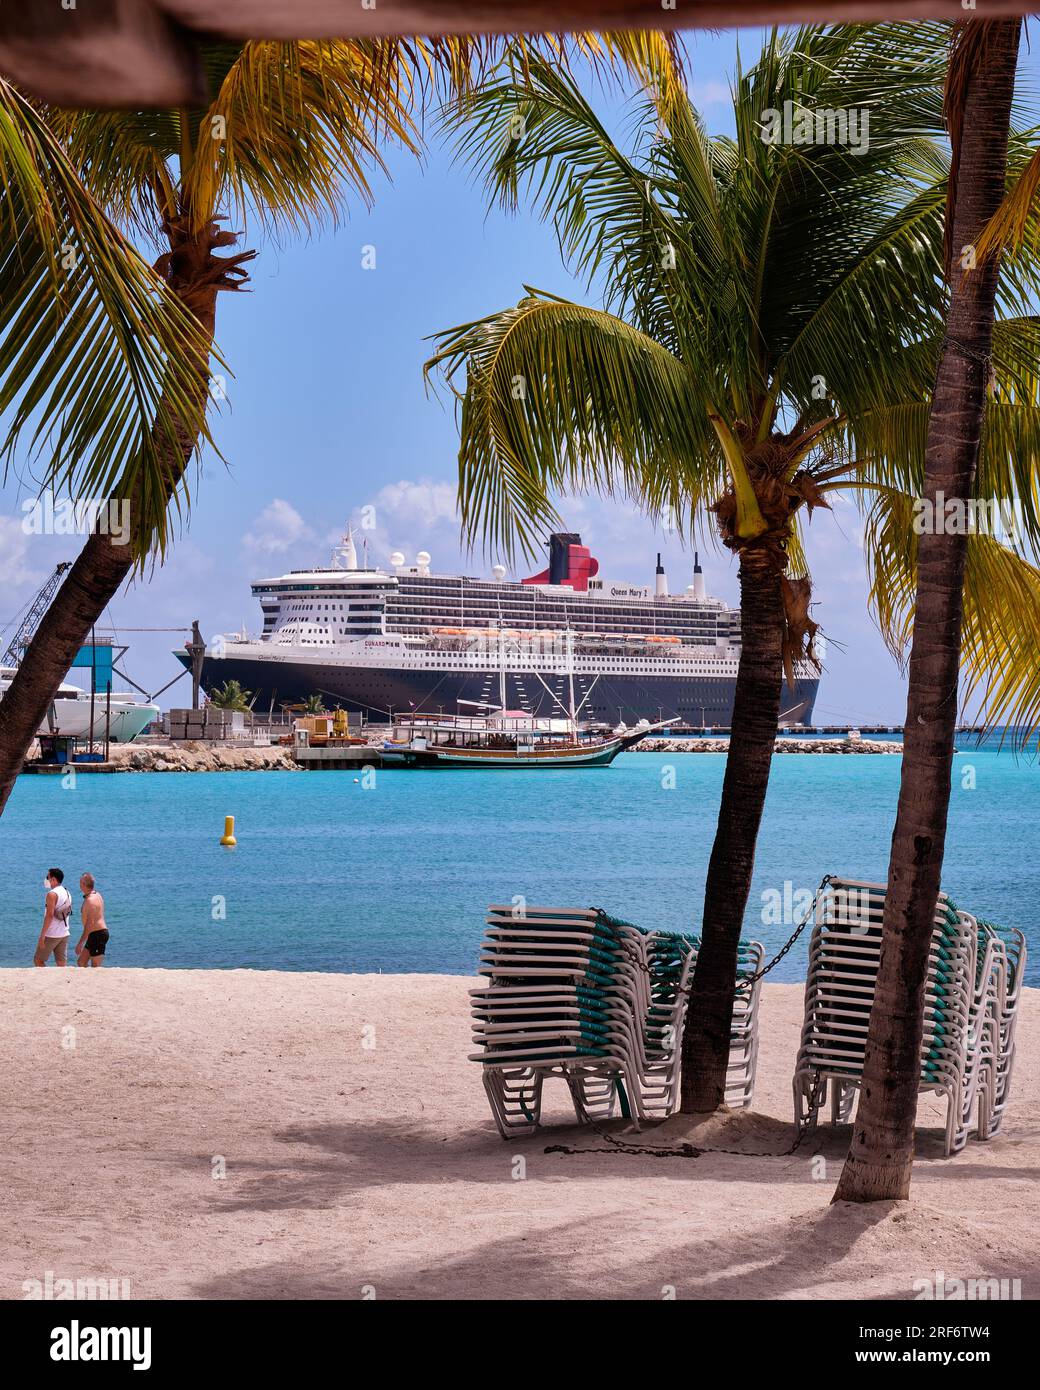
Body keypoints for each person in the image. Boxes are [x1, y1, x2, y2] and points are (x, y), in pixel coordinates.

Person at [35, 868, 73, 966]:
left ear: (53, 879)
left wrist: (42, 936)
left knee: (38, 960)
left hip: (52, 934)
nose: (46, 879)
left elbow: (49, 916)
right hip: (64, 933)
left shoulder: (52, 894)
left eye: (48, 877)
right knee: (61, 963)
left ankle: (46, 979)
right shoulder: (67, 892)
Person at [75, 873, 110, 968]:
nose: (79, 884)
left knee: (95, 967)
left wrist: (80, 943)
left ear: (83, 884)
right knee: (81, 962)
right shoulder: (96, 894)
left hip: (98, 934)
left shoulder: (91, 900)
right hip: (93, 935)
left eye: (80, 882)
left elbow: (90, 924)